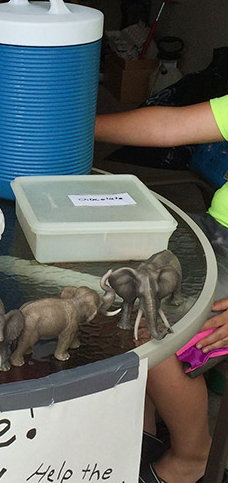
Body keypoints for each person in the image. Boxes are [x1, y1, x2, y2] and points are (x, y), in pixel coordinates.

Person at [96, 96, 228, 483]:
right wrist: (77, 125)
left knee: (152, 331)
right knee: (112, 289)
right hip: (209, 232)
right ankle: (146, 426)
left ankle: (193, 456)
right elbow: (168, 126)